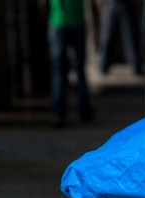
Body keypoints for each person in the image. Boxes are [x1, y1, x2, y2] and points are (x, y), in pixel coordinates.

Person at [45, 0, 94, 128]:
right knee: (80, 70)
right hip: (77, 21)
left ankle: (58, 113)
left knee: (58, 71)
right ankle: (84, 110)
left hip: (58, 21)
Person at [97, 0, 142, 75]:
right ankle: (103, 65)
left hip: (127, 3)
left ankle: (136, 65)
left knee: (130, 38)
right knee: (107, 37)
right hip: (111, 3)